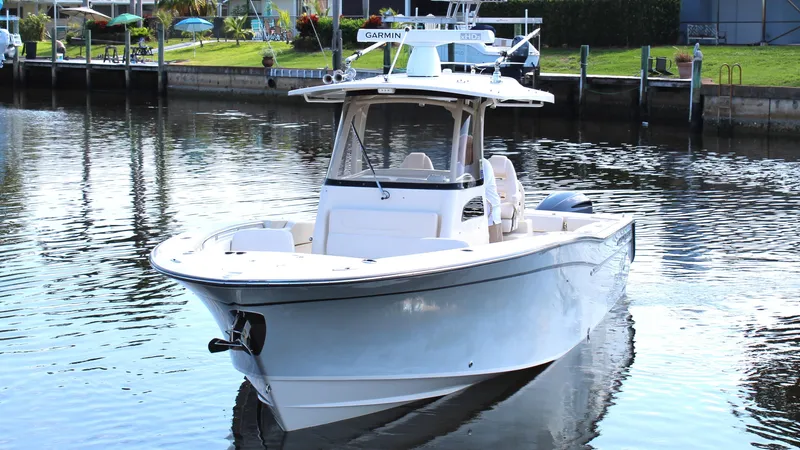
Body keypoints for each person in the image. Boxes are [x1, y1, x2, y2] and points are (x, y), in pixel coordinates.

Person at [463, 135, 503, 243]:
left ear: (472, 149)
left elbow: (476, 188)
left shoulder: (483, 164)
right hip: (472, 216)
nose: (459, 153)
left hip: (490, 215)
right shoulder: (459, 166)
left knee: (495, 250)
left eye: (462, 149)